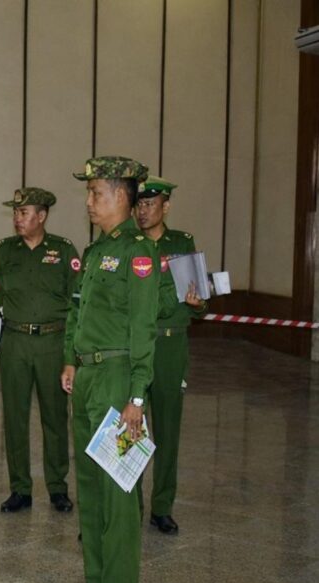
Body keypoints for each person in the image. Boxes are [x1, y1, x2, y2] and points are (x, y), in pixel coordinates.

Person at [60, 156, 159, 583]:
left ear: (122, 195)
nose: (89, 201)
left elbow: (143, 328)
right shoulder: (98, 250)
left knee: (120, 489)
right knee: (93, 487)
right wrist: (71, 361)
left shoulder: (140, 252)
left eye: (96, 193)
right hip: (88, 376)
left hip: (119, 379)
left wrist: (136, 397)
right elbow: (80, 314)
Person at [0, 188, 80, 514]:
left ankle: (57, 487)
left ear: (41, 216)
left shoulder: (63, 250)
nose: (18, 218)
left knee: (54, 417)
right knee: (14, 418)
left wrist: (71, 355)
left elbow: (77, 304)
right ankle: (20, 489)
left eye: (24, 212)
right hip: (15, 342)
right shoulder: (4, 251)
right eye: (16, 212)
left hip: (52, 343)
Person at [134, 176, 208, 535]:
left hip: (170, 345)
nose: (142, 210)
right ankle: (128, 505)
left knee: (166, 428)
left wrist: (198, 303)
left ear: (166, 206)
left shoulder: (181, 243)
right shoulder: (126, 245)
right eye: (138, 204)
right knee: (130, 428)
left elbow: (200, 303)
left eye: (150, 204)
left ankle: (162, 506)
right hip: (135, 346)